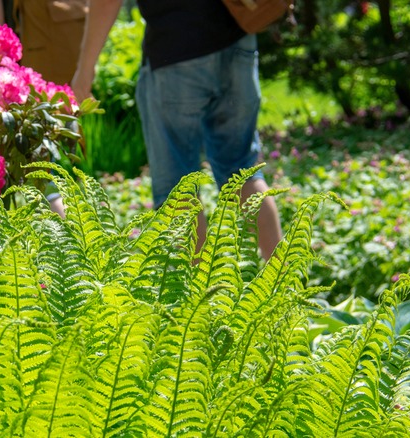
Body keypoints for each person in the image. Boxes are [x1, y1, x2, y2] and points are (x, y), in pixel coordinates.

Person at [71, 0, 283, 261]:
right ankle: (288, 289)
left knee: (179, 189)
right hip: (238, 41)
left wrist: (85, 69)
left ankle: (206, 299)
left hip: (175, 53)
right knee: (243, 170)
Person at [0, 0, 87, 216]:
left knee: (16, 181)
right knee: (45, 176)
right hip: (51, 67)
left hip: (11, 86)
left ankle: (69, 242)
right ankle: (73, 240)